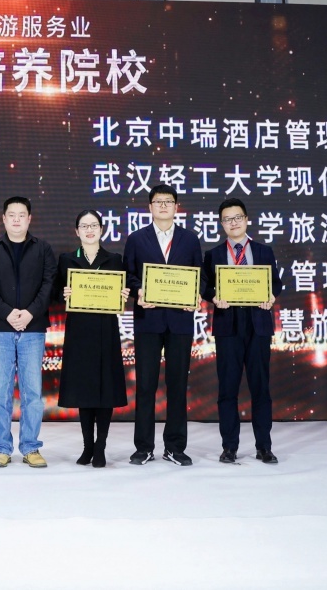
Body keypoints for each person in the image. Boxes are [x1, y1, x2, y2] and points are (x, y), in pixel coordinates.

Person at [201, 197, 284, 465]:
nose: (233, 223)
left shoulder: (263, 251)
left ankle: (264, 447)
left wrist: (271, 296)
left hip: (258, 325)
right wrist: (214, 297)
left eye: (237, 217)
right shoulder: (213, 255)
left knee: (261, 388)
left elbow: (275, 283)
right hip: (228, 326)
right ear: (221, 224)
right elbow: (205, 286)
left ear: (247, 219)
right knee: (227, 390)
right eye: (227, 219)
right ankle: (229, 447)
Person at [124, 183, 203, 466]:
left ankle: (175, 447)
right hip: (148, 320)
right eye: (158, 201)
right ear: (150, 207)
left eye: (168, 201)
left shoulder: (190, 239)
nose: (163, 206)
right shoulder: (137, 239)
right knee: (145, 385)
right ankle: (143, 447)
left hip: (180, 320)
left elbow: (200, 275)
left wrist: (195, 294)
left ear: (176, 206)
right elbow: (128, 274)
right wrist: (139, 291)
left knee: (178, 385)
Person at [0, 195, 56, 469]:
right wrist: (7, 313)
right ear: (3, 218)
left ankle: (31, 447)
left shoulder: (43, 249)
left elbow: (49, 284)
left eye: (22, 215)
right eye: (11, 215)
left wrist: (30, 313)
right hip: (0, 328)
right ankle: (1, 448)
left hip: (33, 328)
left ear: (29, 218)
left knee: (32, 392)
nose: (16, 219)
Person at [54, 210, 130, 468]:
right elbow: (55, 293)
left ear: (102, 229)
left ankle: (100, 447)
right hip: (79, 330)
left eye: (94, 225)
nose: (89, 230)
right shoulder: (67, 260)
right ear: (76, 231)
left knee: (105, 389)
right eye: (84, 226)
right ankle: (87, 446)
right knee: (84, 390)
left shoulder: (114, 259)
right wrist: (63, 293)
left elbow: (123, 291)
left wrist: (123, 293)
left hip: (105, 329)